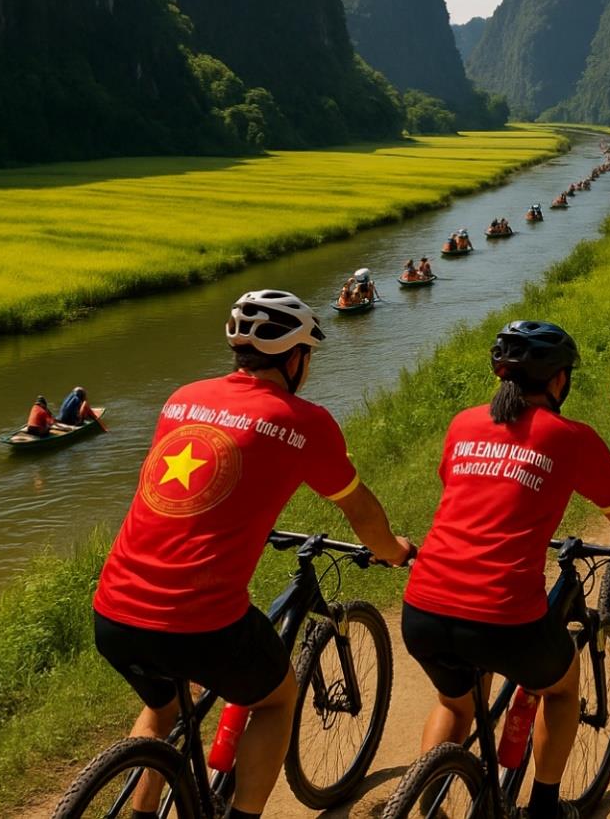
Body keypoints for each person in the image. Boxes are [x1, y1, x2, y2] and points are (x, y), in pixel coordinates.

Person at [92, 290, 412, 819]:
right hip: (199, 622)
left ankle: (141, 814)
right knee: (277, 698)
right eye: (309, 353)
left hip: (112, 611)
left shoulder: (182, 397)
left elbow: (190, 491)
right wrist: (394, 551)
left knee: (162, 705)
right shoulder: (305, 421)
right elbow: (361, 512)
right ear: (294, 358)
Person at [404, 321, 610, 819]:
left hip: (422, 606)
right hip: (502, 615)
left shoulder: (463, 423)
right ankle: (545, 808)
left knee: (456, 705)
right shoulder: (570, 437)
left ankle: (430, 803)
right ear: (557, 380)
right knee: (563, 685)